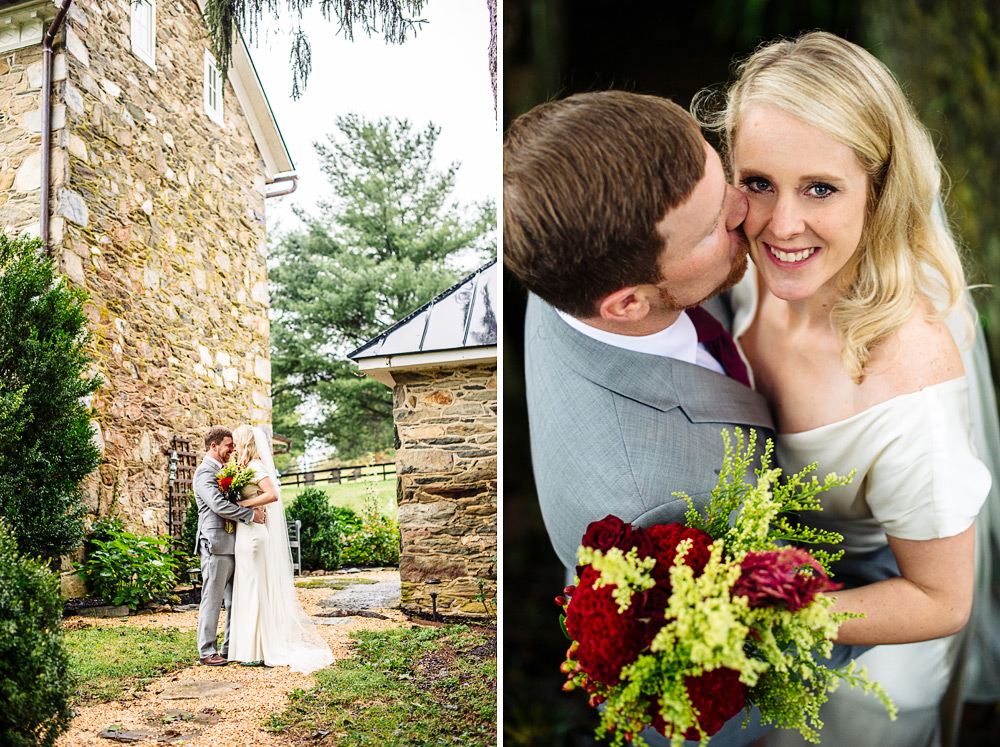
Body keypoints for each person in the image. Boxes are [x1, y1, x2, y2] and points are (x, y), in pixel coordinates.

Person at [699, 31, 994, 746]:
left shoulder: (910, 385)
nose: (781, 224)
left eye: (821, 188)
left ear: (879, 189)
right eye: (759, 182)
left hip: (873, 667)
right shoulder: (743, 268)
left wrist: (772, 619)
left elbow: (942, 598)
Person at [505, 90, 782, 747]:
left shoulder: (566, 262)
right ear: (628, 302)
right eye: (717, 221)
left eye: (723, 179)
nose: (749, 208)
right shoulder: (644, 504)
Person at [226, 424, 334, 673]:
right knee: (248, 586)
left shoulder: (256, 466)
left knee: (255, 587)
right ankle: (249, 648)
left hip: (254, 536)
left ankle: (261, 648)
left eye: (237, 442)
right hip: (245, 534)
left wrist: (243, 505)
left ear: (246, 442)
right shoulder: (245, 468)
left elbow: (272, 494)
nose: (234, 446)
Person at [193, 425, 266, 666]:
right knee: (212, 598)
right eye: (228, 446)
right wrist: (249, 516)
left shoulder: (226, 472)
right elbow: (218, 505)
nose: (232, 450)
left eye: (234, 446)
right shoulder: (205, 473)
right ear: (214, 446)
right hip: (216, 543)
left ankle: (229, 647)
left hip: (234, 543)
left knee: (235, 600)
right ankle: (207, 650)